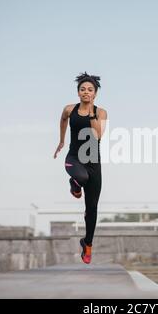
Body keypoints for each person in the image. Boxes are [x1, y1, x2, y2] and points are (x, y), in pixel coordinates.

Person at [53, 72, 107, 264]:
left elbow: (98, 135)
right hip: (74, 158)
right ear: (78, 93)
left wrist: (91, 111)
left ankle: (87, 243)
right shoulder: (69, 109)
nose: (86, 92)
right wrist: (61, 141)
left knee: (92, 208)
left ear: (95, 94)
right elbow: (63, 120)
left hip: (93, 162)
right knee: (81, 178)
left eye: (90, 90)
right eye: (83, 89)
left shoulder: (101, 113)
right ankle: (74, 184)